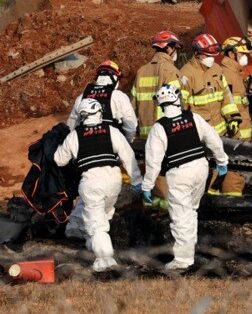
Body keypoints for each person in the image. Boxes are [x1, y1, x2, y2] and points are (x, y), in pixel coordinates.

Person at [141, 84, 228, 271]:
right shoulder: (193, 117)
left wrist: (147, 185)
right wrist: (222, 161)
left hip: (179, 173)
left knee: (181, 216)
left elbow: (153, 162)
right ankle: (191, 248)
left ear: (160, 105)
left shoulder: (159, 128)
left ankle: (183, 260)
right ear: (177, 99)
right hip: (200, 168)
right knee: (191, 211)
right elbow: (213, 139)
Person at [54, 97, 142, 272]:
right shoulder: (111, 131)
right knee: (102, 215)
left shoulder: (75, 136)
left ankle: (105, 261)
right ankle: (92, 244)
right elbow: (128, 155)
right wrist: (137, 180)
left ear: (82, 115)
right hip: (113, 182)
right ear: (99, 113)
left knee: (96, 224)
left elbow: (59, 160)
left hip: (92, 183)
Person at [179, 33, 240, 137]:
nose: (211, 58)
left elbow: (227, 96)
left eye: (212, 55)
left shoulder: (217, 69)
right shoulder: (186, 74)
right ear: (196, 53)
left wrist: (233, 118)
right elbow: (181, 108)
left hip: (221, 134)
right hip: (201, 136)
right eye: (207, 55)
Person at [67, 60, 137, 142]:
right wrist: (126, 143)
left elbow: (71, 126)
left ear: (98, 77)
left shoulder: (82, 96)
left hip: (86, 147)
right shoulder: (119, 97)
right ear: (115, 79)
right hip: (111, 147)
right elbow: (131, 126)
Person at [132, 31, 184, 140]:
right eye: (175, 48)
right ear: (169, 48)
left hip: (145, 134)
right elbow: (178, 103)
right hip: (166, 132)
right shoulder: (170, 71)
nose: (176, 53)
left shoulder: (141, 71)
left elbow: (133, 104)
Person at [219, 36, 252, 141]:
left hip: (244, 133)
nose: (245, 57)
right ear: (231, 54)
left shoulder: (237, 73)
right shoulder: (227, 74)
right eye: (242, 54)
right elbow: (226, 106)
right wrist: (235, 134)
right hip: (237, 137)